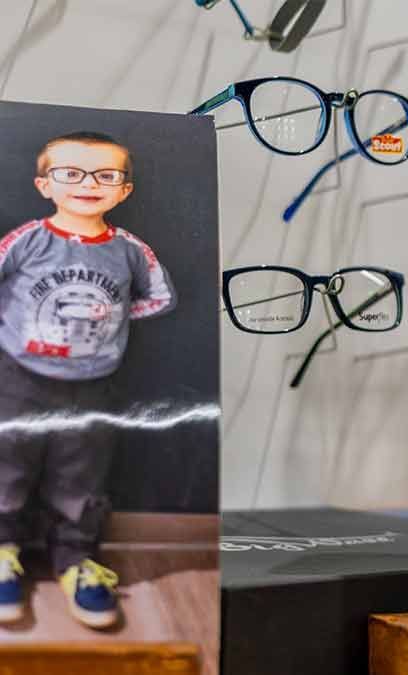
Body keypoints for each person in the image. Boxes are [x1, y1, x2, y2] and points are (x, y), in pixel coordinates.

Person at [0, 131, 176, 629]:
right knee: (7, 467)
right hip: (19, 376)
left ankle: (75, 559)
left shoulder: (128, 250)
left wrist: (110, 322)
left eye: (105, 175)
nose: (88, 184)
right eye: (71, 173)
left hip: (95, 382)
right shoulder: (26, 240)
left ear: (124, 191)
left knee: (81, 474)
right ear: (44, 184)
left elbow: (158, 298)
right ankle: (3, 551)